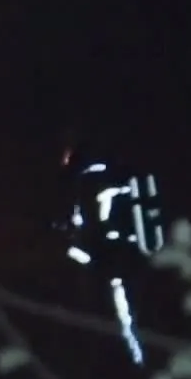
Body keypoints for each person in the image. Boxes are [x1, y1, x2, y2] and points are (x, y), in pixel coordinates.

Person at [58, 134, 165, 365]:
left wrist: (76, 246)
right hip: (122, 255)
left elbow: (90, 224)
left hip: (107, 257)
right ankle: (136, 356)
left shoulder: (88, 182)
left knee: (118, 310)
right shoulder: (115, 177)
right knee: (129, 308)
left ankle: (133, 358)